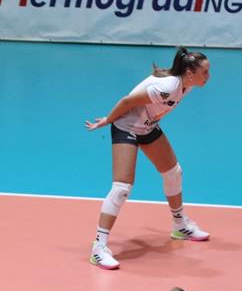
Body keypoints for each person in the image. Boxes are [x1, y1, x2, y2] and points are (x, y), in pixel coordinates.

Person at [84, 47, 212, 270]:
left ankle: (179, 225)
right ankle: (99, 248)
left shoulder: (187, 86)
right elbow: (127, 102)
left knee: (173, 173)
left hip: (148, 126)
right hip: (126, 126)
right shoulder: (167, 88)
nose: (208, 76)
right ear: (189, 73)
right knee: (122, 188)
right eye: (205, 72)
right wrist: (108, 120)